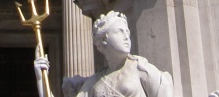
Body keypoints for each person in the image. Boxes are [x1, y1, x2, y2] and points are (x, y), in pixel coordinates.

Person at [35, 12, 173, 97]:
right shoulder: (95, 82)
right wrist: (41, 78)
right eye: (120, 32)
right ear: (104, 40)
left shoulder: (141, 68)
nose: (126, 37)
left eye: (127, 32)